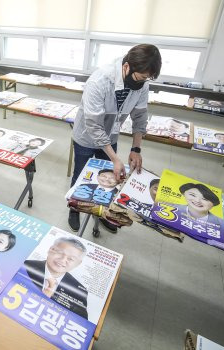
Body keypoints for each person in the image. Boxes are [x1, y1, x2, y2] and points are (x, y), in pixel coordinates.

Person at [69, 44, 161, 233]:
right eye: (142, 77)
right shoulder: (100, 80)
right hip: (86, 136)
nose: (144, 82)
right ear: (127, 67)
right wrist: (115, 158)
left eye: (147, 78)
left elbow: (140, 116)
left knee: (111, 177)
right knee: (81, 174)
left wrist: (136, 149)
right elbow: (93, 126)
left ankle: (104, 212)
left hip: (110, 134)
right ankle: (74, 207)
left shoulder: (141, 82)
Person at [24, 237, 89, 319]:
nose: (63, 260)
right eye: (60, 253)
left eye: (71, 259)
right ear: (50, 249)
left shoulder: (79, 290)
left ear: (78, 263)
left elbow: (80, 321)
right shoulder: (25, 266)